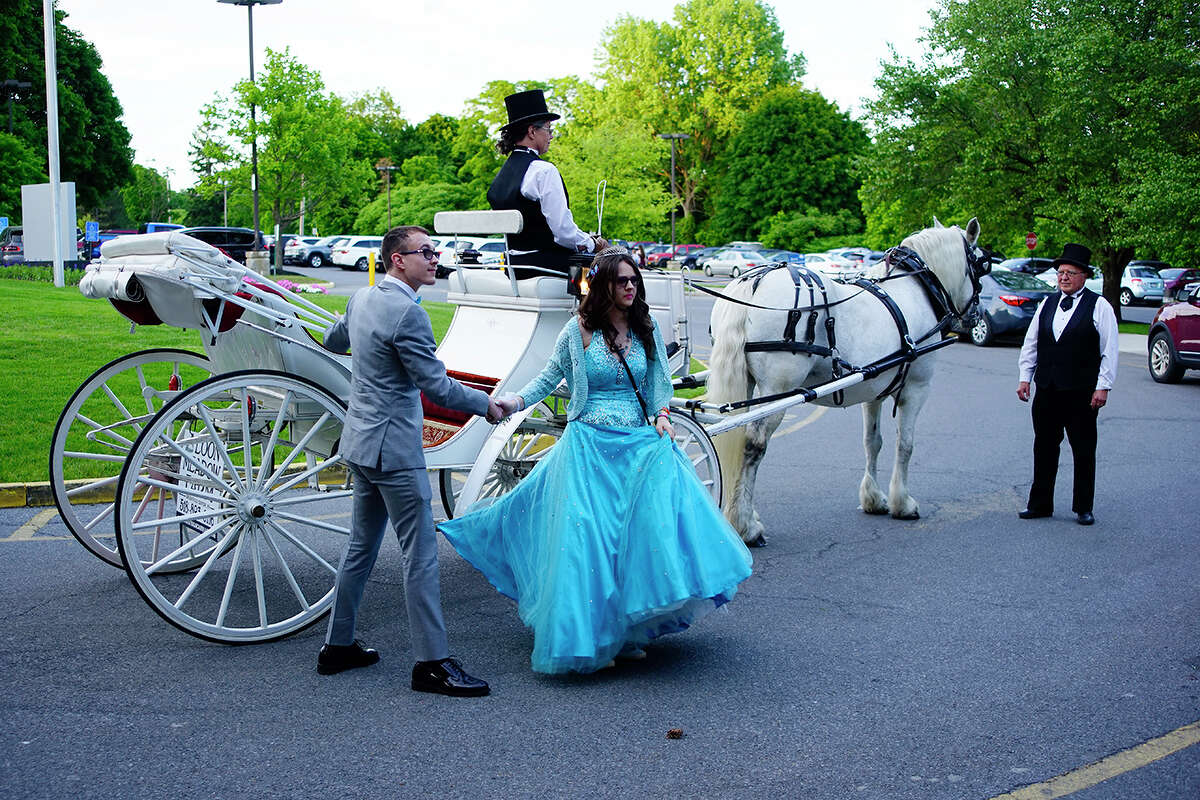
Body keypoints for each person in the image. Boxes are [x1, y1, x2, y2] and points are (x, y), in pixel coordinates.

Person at [439, 248, 753, 674]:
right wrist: (515, 400)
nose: (630, 287)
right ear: (603, 284)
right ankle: (593, 636)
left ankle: (626, 631)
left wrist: (662, 416)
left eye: (634, 281)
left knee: (636, 538)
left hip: (638, 446)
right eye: (621, 281)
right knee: (592, 540)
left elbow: (659, 380)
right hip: (589, 446)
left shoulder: (645, 326)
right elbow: (551, 376)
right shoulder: (579, 330)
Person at [318, 225, 504, 697]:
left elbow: (334, 340)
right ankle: (432, 663)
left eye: (435, 251)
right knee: (419, 556)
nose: (434, 258)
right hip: (395, 452)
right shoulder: (407, 314)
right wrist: (486, 404)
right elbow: (437, 386)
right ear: (398, 260)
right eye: (425, 252)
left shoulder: (363, 300)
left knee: (361, 548)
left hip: (360, 444)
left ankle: (338, 646)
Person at [1016, 242, 1119, 526]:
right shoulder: (1047, 304)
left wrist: (1103, 386)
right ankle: (1040, 504)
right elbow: (1031, 344)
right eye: (1061, 272)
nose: (1063, 277)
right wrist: (1025, 378)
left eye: (1070, 272)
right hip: (1047, 388)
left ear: (1084, 275)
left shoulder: (1099, 306)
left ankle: (1083, 507)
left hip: (1081, 392)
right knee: (1044, 447)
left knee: (1083, 450)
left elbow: (1110, 349)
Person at [487, 89, 608, 279]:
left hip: (512, 267)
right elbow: (563, 232)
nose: (551, 136)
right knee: (617, 267)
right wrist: (594, 243)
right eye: (548, 129)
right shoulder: (543, 170)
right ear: (532, 131)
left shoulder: (502, 175)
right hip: (545, 266)